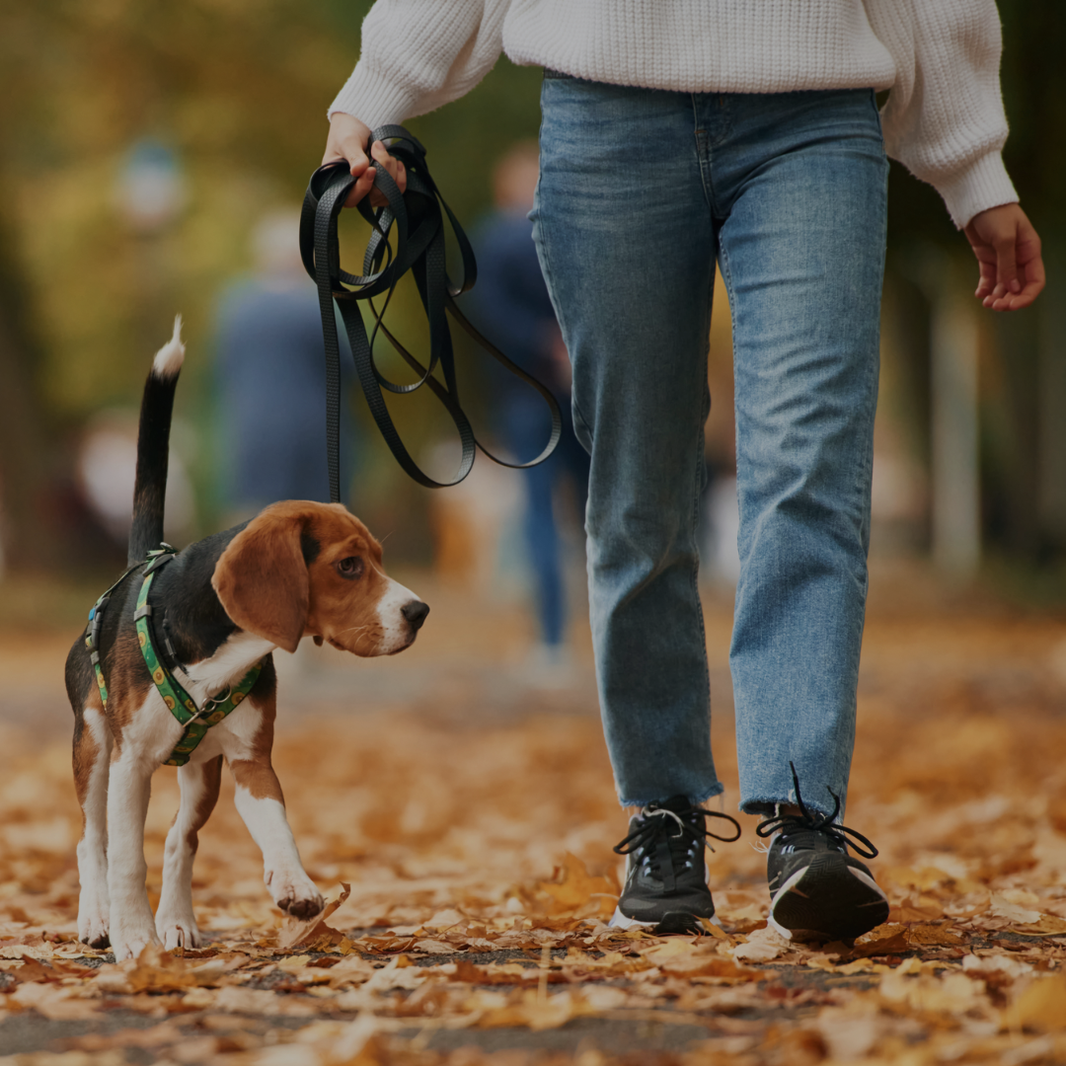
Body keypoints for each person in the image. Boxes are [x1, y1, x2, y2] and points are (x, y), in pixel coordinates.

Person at [321, 2, 1044, 940]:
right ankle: (663, 815)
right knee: (636, 489)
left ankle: (801, 822)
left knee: (809, 469)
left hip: (815, 114)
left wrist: (969, 161)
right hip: (606, 116)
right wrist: (372, 97)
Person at [470, 142, 590, 672]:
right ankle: (616, 637)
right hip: (584, 387)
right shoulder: (578, 231)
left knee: (541, 516)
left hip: (526, 393)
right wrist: (571, 346)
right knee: (598, 513)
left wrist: (545, 345)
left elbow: (487, 314)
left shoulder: (493, 239)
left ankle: (551, 641)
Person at [214, 211, 355, 523]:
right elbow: (347, 368)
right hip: (312, 431)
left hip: (252, 427)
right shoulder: (315, 306)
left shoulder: (234, 306)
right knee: (317, 523)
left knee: (251, 519)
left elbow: (224, 367)